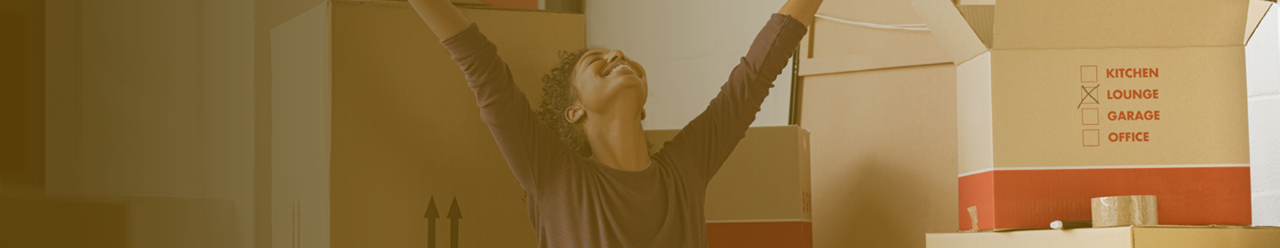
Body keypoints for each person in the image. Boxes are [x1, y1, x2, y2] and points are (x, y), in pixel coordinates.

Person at [408, 0, 823, 246]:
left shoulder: (685, 170)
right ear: (575, 112)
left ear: (643, 107)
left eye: (622, 56)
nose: (618, 53)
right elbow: (482, 67)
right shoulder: (553, 175)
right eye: (595, 60)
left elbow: (754, 76)